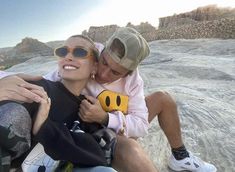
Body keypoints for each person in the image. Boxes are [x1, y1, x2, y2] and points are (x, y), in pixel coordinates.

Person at [0, 27, 216, 172]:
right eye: (103, 63)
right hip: (90, 130)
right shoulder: (88, 56)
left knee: (163, 98)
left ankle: (180, 157)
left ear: (128, 72)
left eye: (115, 73)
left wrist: (106, 118)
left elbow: (140, 125)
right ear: (98, 57)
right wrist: (7, 79)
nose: (103, 74)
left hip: (111, 125)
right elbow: (49, 81)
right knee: (128, 149)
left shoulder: (133, 80)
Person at [0, 35, 117, 172]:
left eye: (80, 52)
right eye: (62, 52)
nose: (68, 56)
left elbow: (97, 156)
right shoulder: (37, 88)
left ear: (94, 67)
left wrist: (44, 128)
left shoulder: (88, 111)